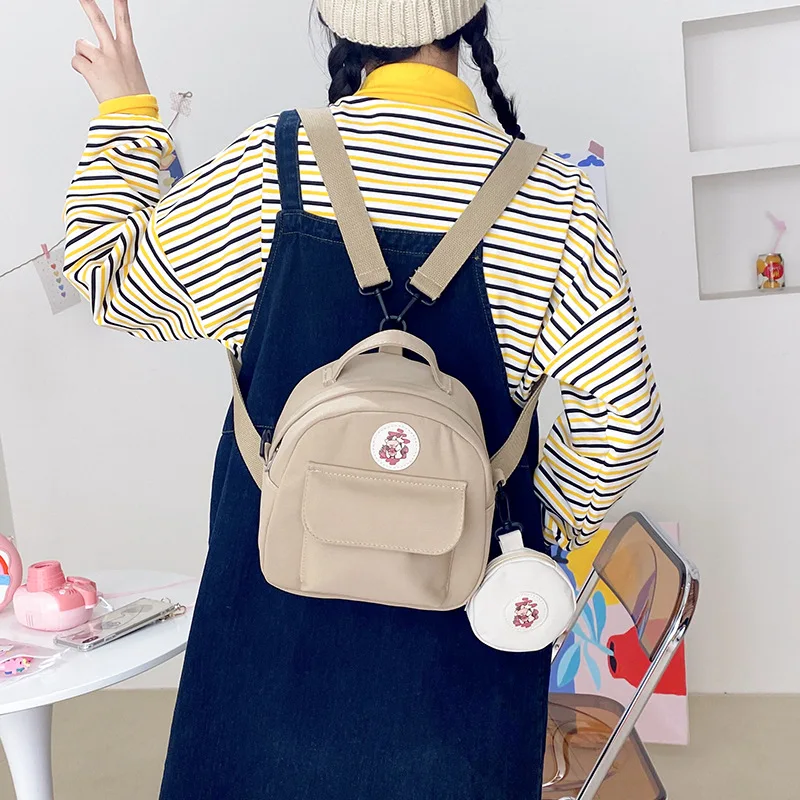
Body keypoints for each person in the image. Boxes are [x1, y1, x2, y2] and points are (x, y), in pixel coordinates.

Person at [65, 1, 664, 798]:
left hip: (270, 631)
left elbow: (107, 277)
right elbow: (626, 421)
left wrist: (127, 114)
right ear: (470, 22)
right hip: (461, 647)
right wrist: (518, 529)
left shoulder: (271, 167)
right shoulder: (554, 201)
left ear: (338, 26)